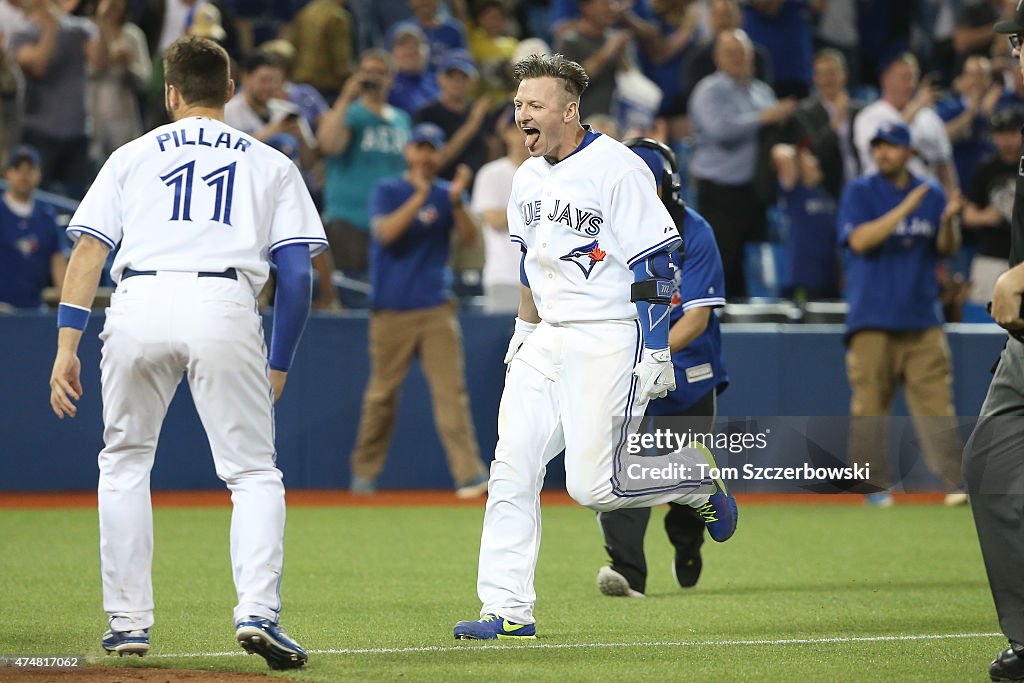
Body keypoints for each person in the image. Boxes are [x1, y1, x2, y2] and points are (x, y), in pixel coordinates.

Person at [46, 36, 325, 670]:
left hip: (137, 301)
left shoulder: (130, 154)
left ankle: (127, 624)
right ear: (229, 91)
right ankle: (256, 612)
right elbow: (298, 275)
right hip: (223, 304)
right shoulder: (269, 159)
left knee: (123, 462)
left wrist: (67, 345)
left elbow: (89, 251)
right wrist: (277, 361)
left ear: (170, 93)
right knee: (252, 472)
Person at [452, 53, 737, 641]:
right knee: (512, 468)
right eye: (518, 104)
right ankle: (507, 609)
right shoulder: (526, 177)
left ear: (569, 109)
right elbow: (533, 265)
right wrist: (524, 332)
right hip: (547, 338)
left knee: (593, 487)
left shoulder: (618, 167)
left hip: (611, 336)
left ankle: (692, 479)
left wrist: (656, 348)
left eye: (534, 104)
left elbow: (657, 268)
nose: (521, 114)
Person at [595, 137, 729, 599]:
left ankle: (687, 541)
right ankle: (628, 572)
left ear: (665, 187)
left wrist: (649, 352)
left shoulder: (695, 231)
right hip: (625, 366)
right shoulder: (604, 231)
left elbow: (695, 317)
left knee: (678, 478)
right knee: (617, 464)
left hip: (686, 370)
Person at [348, 123, 489, 497]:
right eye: (420, 149)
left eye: (432, 150)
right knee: (381, 397)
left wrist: (456, 202)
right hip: (390, 311)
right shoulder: (389, 189)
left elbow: (471, 239)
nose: (426, 156)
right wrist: (420, 198)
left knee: (450, 394)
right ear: (408, 152)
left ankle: (469, 476)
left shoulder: (449, 195)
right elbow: (386, 233)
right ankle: (363, 477)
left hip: (435, 309)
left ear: (439, 154)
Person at [837, 121, 966, 507]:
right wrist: (905, 207)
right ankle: (872, 487)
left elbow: (945, 248)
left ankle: (958, 483)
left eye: (890, 146)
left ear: (908, 151)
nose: (882, 153)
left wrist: (947, 222)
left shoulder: (933, 192)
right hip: (871, 319)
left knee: (936, 408)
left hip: (922, 318)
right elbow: (859, 241)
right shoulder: (860, 191)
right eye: (878, 147)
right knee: (870, 408)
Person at [964, 9, 1024, 679]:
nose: (1016, 52)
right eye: (1013, 42)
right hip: (1022, 340)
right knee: (991, 466)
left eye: (1023, 41)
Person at [688, 28, 795, 298]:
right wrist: (764, 117)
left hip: (755, 192)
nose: (738, 58)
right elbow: (719, 131)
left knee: (754, 266)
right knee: (723, 265)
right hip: (719, 192)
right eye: (730, 53)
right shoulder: (708, 91)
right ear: (718, 58)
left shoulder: (762, 92)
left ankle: (755, 327)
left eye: (743, 52)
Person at [318, 49, 411, 280]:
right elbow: (329, 145)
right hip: (349, 220)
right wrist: (345, 98)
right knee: (350, 293)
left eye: (381, 72)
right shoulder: (350, 112)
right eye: (368, 72)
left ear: (391, 78)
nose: (374, 78)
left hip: (390, 222)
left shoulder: (402, 119)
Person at [9, 0, 117, 198]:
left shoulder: (80, 28)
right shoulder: (22, 33)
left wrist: (103, 22)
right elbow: (39, 67)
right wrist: (50, 28)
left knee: (75, 202)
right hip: (39, 132)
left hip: (77, 133)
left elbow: (102, 64)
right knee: (38, 198)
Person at [852, 52, 958, 194]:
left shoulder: (930, 117)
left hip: (927, 199)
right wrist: (915, 108)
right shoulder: (868, 116)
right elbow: (883, 144)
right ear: (885, 79)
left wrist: (952, 200)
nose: (911, 84)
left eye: (914, 77)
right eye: (905, 78)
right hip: (883, 198)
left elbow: (944, 165)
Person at [471, 108, 530, 314]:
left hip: (546, 278)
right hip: (505, 275)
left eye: (528, 128)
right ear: (505, 133)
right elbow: (494, 220)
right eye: (517, 128)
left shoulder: (550, 172)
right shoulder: (491, 173)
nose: (523, 134)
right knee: (506, 345)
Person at [962, 107, 1021, 304]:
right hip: (991, 257)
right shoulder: (986, 169)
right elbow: (968, 216)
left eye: (1013, 133)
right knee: (984, 321)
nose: (1007, 141)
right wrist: (986, 217)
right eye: (1001, 134)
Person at [0, 145, 67, 310]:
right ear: (8, 173)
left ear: (39, 174)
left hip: (34, 308)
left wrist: (67, 306)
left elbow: (58, 262)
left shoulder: (46, 216)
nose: (24, 175)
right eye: (18, 168)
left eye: (30, 169)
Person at [772, 144, 840, 300]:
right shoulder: (794, 193)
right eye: (810, 158)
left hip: (829, 276)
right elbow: (780, 153)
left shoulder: (826, 197)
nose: (815, 161)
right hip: (803, 277)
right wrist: (799, 153)